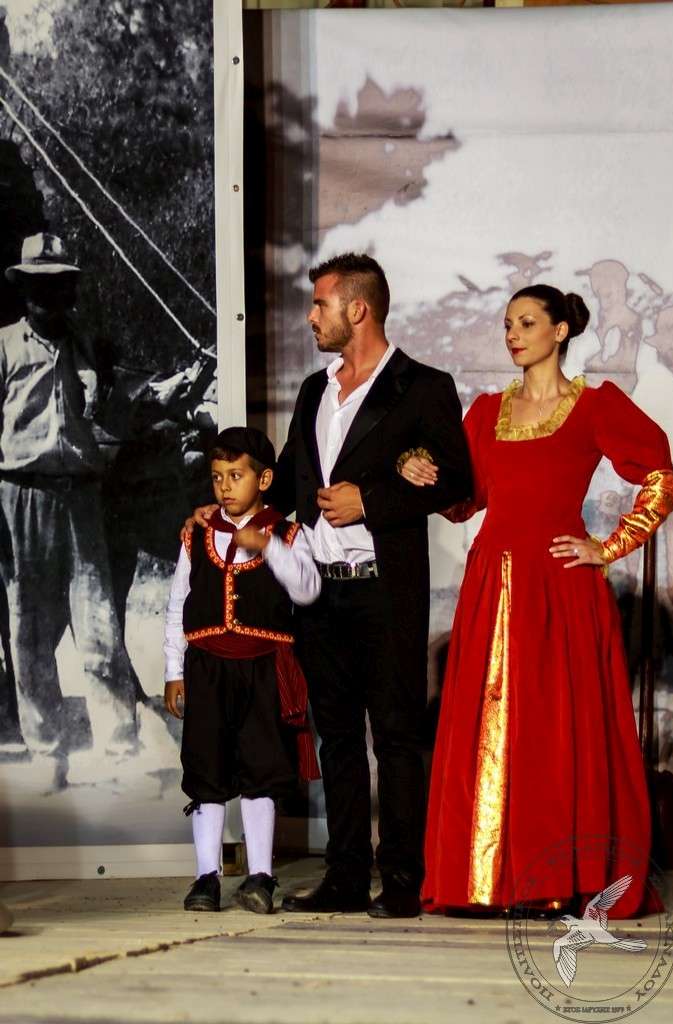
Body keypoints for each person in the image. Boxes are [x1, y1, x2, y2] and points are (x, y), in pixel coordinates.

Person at [191, 254, 472, 917]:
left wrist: (368, 500)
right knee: (337, 739)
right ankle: (345, 878)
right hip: (321, 594)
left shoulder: (423, 386)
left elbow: (457, 481)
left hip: (385, 591)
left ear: (358, 309)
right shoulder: (316, 389)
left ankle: (401, 881)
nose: (311, 317)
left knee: (395, 738)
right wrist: (229, 515)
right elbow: (290, 479)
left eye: (320, 304)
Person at [400, 283, 673, 916]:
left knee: (554, 729)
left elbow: (662, 481)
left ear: (560, 331)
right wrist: (421, 470)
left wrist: (608, 546)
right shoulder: (485, 413)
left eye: (526, 323)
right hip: (492, 586)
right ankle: (486, 880)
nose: (513, 335)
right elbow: (462, 503)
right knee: (490, 728)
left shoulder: (595, 406)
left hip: (559, 589)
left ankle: (551, 878)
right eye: (507, 325)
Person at [165, 426, 321, 914]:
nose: (225, 486)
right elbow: (177, 604)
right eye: (217, 477)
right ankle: (205, 876)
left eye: (236, 476)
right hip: (207, 667)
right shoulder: (197, 533)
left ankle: (260, 876)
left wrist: (268, 547)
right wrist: (173, 670)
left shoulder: (288, 534)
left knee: (261, 769)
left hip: (262, 670)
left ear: (264, 479)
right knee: (206, 769)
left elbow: (307, 590)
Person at [0, 233, 137, 757]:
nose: (49, 296)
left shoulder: (86, 346)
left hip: (80, 496)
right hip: (22, 494)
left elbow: (113, 417)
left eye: (59, 285)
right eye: (38, 286)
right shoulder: (5, 346)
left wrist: (103, 375)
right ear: (23, 290)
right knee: (30, 628)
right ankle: (46, 747)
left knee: (98, 620)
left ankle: (120, 749)